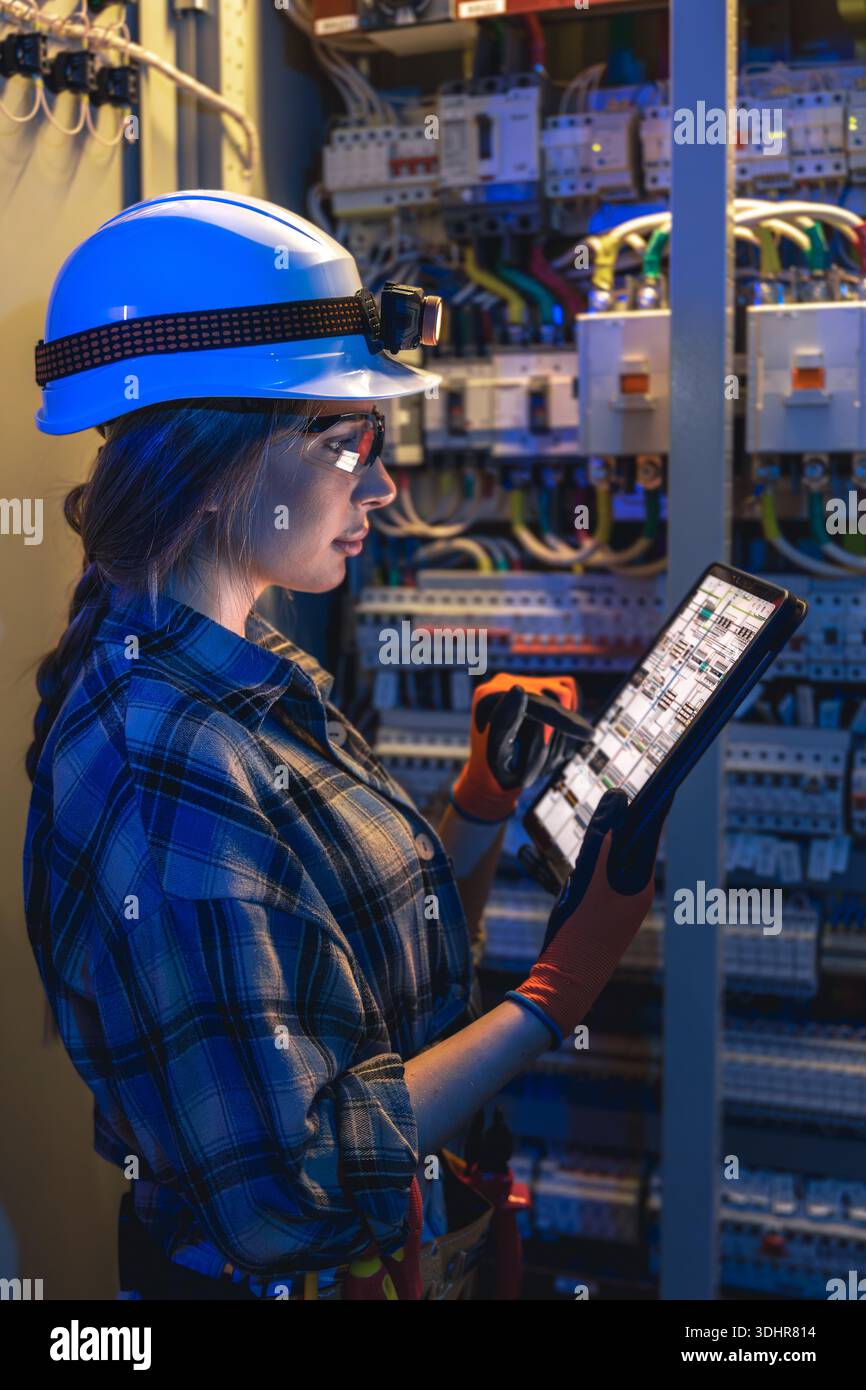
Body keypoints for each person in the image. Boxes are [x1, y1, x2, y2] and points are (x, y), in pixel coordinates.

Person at [23, 191, 668, 1300]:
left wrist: (474, 806)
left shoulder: (242, 672)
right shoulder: (164, 770)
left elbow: (352, 993)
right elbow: (302, 1176)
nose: (379, 483)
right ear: (219, 465)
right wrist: (554, 996)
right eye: (346, 441)